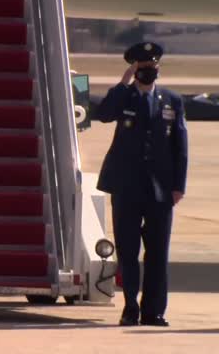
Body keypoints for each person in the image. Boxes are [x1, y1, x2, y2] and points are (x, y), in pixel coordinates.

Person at [97, 42, 188, 327]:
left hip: (160, 190)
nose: (150, 71)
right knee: (127, 250)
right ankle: (130, 307)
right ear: (135, 69)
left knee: (158, 252)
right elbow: (104, 114)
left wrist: (178, 186)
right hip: (126, 187)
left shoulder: (171, 100)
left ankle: (154, 311)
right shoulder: (124, 98)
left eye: (153, 66)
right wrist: (124, 83)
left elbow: (180, 146)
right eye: (143, 67)